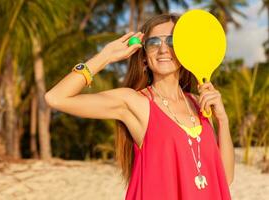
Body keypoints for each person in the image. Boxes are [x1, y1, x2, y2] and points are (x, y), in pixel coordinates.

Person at [45, 13, 235, 200]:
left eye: (171, 42)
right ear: (144, 57)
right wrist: (105, 57)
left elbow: (224, 179)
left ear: (185, 50)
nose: (162, 50)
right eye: (153, 43)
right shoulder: (134, 102)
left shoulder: (199, 103)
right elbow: (56, 98)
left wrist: (223, 120)